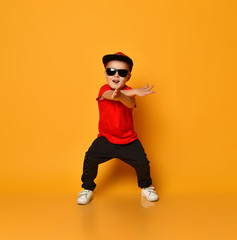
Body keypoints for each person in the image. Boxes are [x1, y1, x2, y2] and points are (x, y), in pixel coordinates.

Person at [77, 52, 158, 205]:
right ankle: (87, 189)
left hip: (128, 140)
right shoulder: (103, 90)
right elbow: (110, 95)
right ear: (105, 74)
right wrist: (131, 92)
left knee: (142, 162)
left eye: (122, 73)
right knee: (90, 159)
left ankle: (146, 187)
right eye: (111, 71)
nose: (116, 75)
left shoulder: (129, 93)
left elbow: (129, 103)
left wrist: (125, 95)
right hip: (106, 138)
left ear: (128, 77)